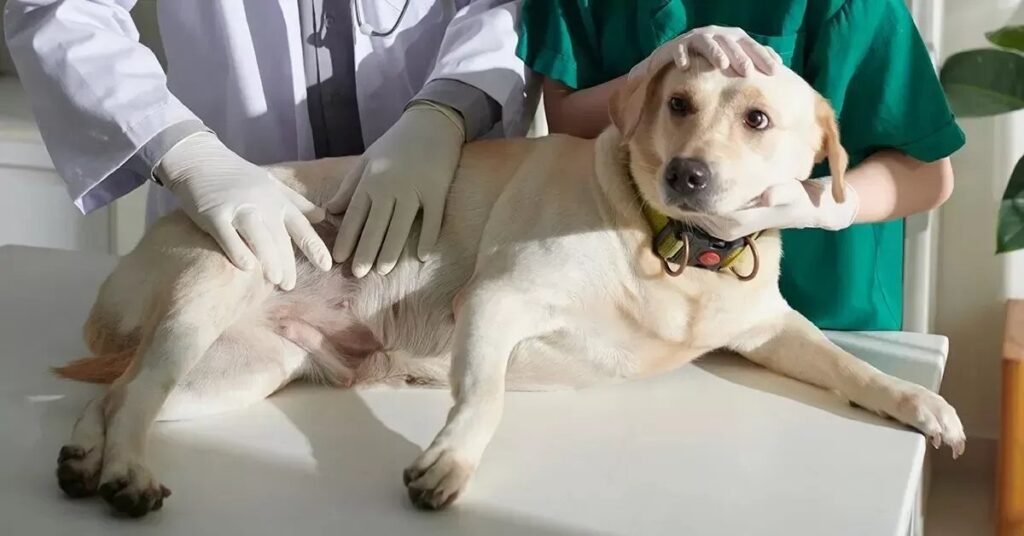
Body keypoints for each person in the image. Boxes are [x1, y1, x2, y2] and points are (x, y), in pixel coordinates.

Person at [4, 0, 529, 288]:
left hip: (439, 227)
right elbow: (61, 9)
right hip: (233, 231)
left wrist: (449, 110)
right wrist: (184, 153)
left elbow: (510, 6)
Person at [515, 0, 965, 331]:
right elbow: (566, 122)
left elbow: (928, 174)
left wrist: (820, 206)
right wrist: (652, 71)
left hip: (820, 313)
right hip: (635, 304)